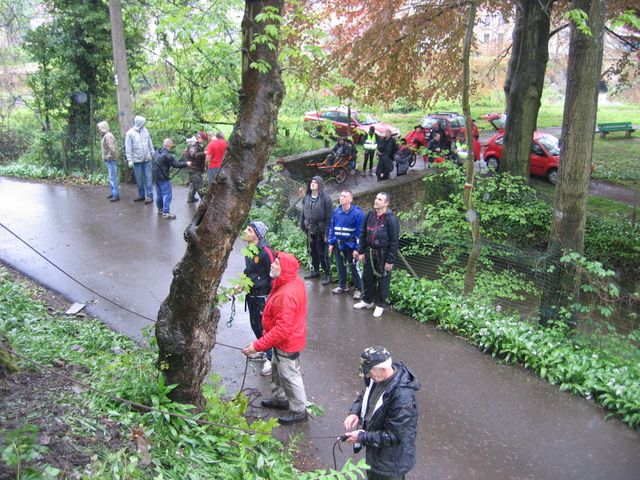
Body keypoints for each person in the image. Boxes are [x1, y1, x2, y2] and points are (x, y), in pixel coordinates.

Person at [242, 252, 309, 425]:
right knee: (277, 369)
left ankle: (299, 411)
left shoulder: (286, 294)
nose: (272, 264)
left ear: (284, 268)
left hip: (288, 343)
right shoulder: (288, 281)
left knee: (290, 375)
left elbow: (282, 329)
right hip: (283, 341)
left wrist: (257, 345)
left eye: (276, 263)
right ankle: (280, 399)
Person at [343, 346, 420, 480]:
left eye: (369, 373)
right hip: (376, 450)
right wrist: (355, 411)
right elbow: (365, 395)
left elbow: (393, 436)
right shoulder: (377, 378)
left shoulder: (403, 398)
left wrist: (361, 437)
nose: (367, 376)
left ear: (383, 369)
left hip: (391, 462)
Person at [354, 192, 399, 318]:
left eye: (380, 199)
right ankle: (367, 300)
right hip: (369, 252)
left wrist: (390, 261)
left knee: (384, 280)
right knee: (368, 278)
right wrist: (361, 251)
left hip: (383, 254)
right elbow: (363, 233)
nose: (376, 201)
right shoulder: (369, 215)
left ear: (386, 203)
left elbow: (394, 241)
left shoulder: (391, 219)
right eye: (376, 198)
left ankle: (380, 304)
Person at [242, 220, 275, 376]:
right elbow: (249, 271)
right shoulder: (249, 249)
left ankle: (271, 358)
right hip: (251, 294)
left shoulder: (265, 251)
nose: (245, 232)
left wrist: (272, 296)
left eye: (249, 230)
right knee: (255, 324)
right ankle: (262, 348)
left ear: (257, 234)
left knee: (265, 327)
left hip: (263, 296)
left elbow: (274, 274)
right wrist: (242, 284)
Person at [328, 190, 365, 299]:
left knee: (354, 267)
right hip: (339, 245)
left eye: (345, 196)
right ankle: (342, 286)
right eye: (341, 195)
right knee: (340, 267)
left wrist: (357, 249)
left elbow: (360, 233)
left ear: (350, 199)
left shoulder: (357, 214)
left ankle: (359, 288)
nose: (341, 198)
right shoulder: (336, 212)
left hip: (351, 246)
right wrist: (331, 243)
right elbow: (332, 228)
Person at [299, 176, 333, 285]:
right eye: (311, 182)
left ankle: (327, 274)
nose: (313, 184)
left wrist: (326, 233)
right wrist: (302, 225)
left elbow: (329, 217)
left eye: (315, 182)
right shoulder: (307, 197)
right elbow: (303, 213)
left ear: (320, 185)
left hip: (321, 230)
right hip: (310, 229)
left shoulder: (326, 199)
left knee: (322, 253)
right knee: (311, 251)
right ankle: (315, 271)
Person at [152, 138, 190, 219]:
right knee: (166, 194)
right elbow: (176, 164)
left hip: (156, 177)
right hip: (163, 178)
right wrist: (186, 164)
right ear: (170, 145)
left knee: (159, 194)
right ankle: (166, 213)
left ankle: (160, 209)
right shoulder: (167, 155)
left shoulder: (156, 153)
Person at [125, 115, 154, 204]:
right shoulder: (129, 133)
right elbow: (128, 147)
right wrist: (129, 159)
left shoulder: (146, 131)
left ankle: (149, 196)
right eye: (142, 122)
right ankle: (141, 195)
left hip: (147, 159)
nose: (144, 124)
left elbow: (149, 142)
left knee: (148, 178)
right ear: (138, 123)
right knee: (139, 179)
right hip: (136, 160)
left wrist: (153, 153)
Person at [97, 120, 120, 202]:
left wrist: (108, 157)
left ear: (103, 128)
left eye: (100, 128)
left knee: (113, 177)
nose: (99, 130)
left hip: (111, 160)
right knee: (111, 177)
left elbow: (112, 149)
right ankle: (113, 192)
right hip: (109, 160)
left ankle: (116, 194)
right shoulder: (105, 135)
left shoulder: (108, 136)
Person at [184, 132, 207, 203]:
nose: (204, 141)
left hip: (193, 167)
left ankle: (190, 198)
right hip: (194, 168)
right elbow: (193, 154)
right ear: (199, 138)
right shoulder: (193, 144)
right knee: (200, 184)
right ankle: (204, 200)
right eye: (204, 139)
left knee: (193, 183)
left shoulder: (195, 144)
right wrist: (204, 153)